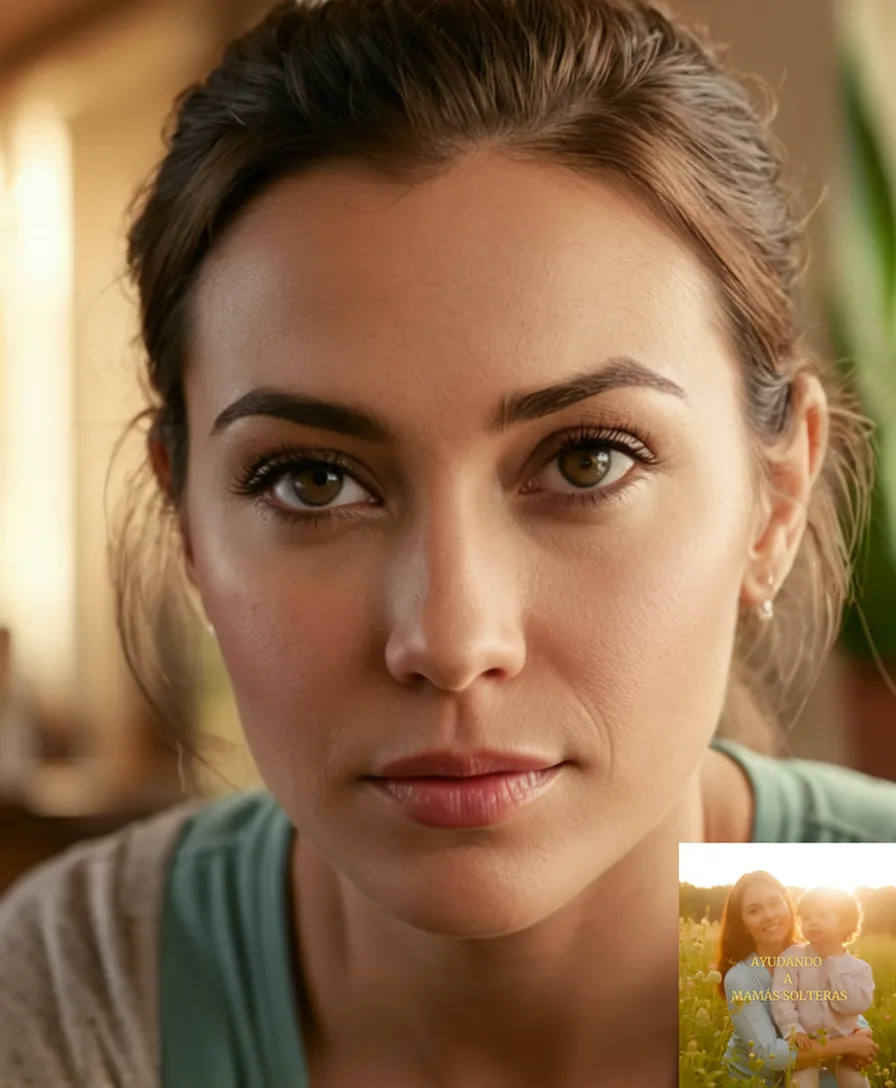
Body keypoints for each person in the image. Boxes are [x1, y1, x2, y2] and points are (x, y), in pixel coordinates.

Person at [1, 0, 896, 1085]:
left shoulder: (865, 943)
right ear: (188, 521)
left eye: (587, 460)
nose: (451, 639)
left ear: (776, 496)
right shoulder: (75, 1000)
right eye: (313, 480)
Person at [717, 873, 878, 1086]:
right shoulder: (741, 977)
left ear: (788, 906)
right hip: (757, 1079)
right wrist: (850, 1045)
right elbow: (769, 1054)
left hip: (810, 1064)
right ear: (743, 924)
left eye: (775, 903)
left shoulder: (816, 953)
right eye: (754, 910)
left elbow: (840, 1005)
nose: (769, 915)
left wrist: (862, 1033)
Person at [770, 887, 874, 1088]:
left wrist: (833, 962)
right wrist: (792, 1030)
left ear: (845, 923)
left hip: (844, 1047)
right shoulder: (792, 957)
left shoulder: (859, 969)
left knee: (857, 1083)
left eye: (822, 915)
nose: (813, 922)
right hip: (807, 1044)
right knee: (801, 1083)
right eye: (806, 917)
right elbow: (781, 997)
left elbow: (852, 1006)